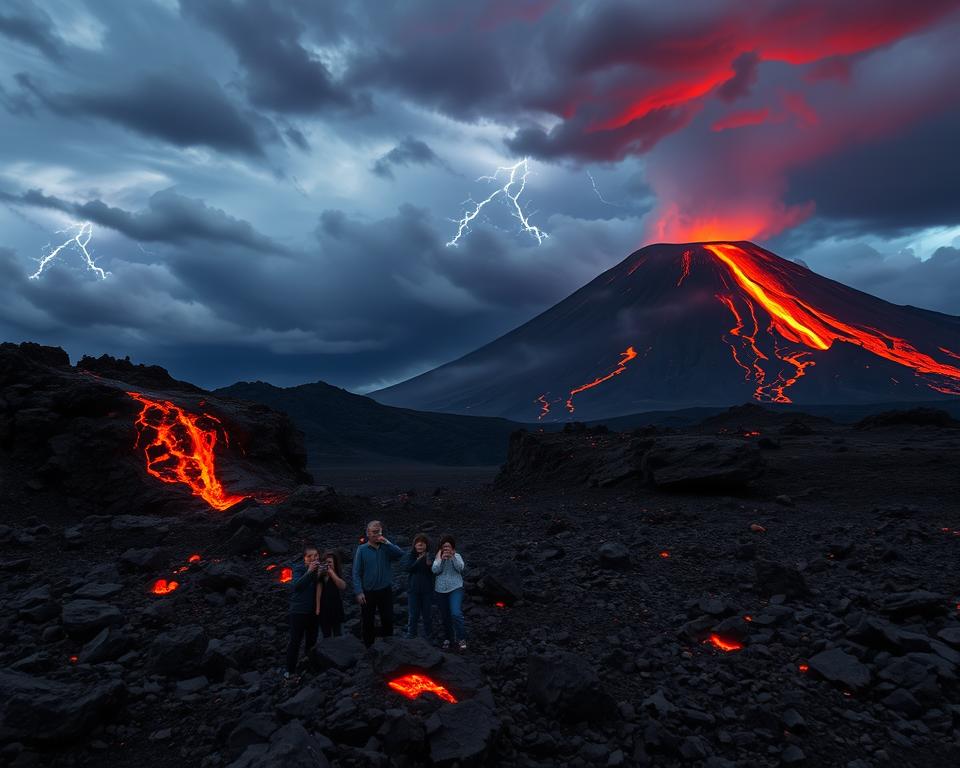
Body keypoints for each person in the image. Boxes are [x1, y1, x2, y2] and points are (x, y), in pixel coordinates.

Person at [352, 519, 404, 647]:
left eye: (379, 532)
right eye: (374, 532)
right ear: (368, 533)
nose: (377, 535)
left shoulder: (386, 548)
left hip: (385, 590)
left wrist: (387, 542)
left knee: (387, 619)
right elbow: (356, 572)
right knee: (368, 621)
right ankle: (368, 647)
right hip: (368, 592)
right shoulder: (362, 549)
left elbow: (401, 554)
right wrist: (359, 591)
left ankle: (389, 646)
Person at [286, 545, 322, 678]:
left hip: (313, 612)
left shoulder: (320, 570)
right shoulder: (299, 569)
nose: (313, 558)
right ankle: (289, 671)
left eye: (316, 556)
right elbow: (296, 586)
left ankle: (308, 668)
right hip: (298, 611)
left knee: (311, 641)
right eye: (309, 556)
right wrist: (309, 572)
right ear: (304, 559)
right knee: (295, 641)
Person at [432, 534, 466, 651]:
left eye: (448, 547)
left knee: (455, 613)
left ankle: (461, 638)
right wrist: (441, 560)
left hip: (455, 587)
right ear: (441, 548)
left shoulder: (457, 556)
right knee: (445, 616)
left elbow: (460, 568)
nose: (446, 549)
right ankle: (448, 638)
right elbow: (435, 570)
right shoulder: (438, 557)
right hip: (440, 589)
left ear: (452, 548)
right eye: (444, 547)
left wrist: (452, 558)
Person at [401, 533, 435, 640]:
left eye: (423, 543)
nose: (420, 544)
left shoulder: (431, 556)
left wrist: (430, 564)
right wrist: (418, 560)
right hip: (413, 590)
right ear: (414, 545)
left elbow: (435, 571)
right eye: (417, 543)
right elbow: (407, 568)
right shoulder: (411, 555)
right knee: (413, 614)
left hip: (427, 590)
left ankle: (429, 635)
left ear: (426, 545)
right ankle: (411, 634)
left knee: (427, 615)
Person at [316, 549, 346, 638]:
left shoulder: (337, 574)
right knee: (326, 635)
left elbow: (343, 586)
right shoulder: (320, 575)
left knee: (338, 634)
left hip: (336, 609)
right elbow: (317, 592)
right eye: (325, 562)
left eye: (330, 562)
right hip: (323, 611)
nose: (327, 564)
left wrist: (331, 573)